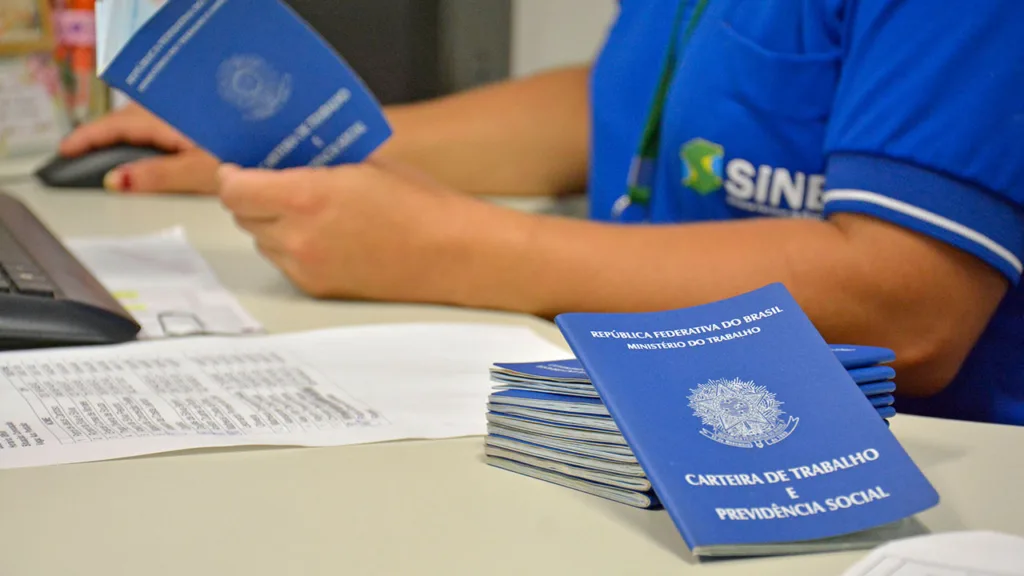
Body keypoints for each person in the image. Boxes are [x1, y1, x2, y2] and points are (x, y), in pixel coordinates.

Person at [59, 0, 1023, 426]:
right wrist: (323, 140)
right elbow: (631, 97)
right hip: (640, 404)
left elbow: (908, 304)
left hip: (881, 459)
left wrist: (450, 250)